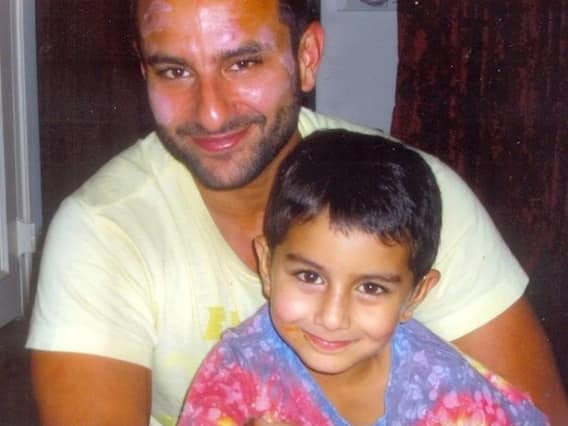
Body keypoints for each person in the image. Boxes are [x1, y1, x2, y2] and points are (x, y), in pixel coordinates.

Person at [26, 0, 568, 425]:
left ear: (307, 56)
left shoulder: (412, 198)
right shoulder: (104, 230)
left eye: (242, 63)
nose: (210, 112)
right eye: (174, 71)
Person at [178, 129, 548, 425]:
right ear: (266, 266)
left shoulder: (447, 390)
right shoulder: (236, 376)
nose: (332, 317)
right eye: (309, 276)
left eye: (370, 287)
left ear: (414, 296)